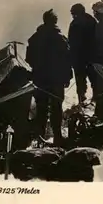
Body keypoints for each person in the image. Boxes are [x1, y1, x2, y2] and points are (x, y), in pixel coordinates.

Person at [25, 9, 72, 146]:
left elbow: (29, 59)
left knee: (41, 109)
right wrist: (68, 76)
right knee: (57, 108)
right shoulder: (61, 38)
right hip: (57, 80)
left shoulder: (35, 38)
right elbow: (68, 60)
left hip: (40, 78)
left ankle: (39, 138)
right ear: (55, 21)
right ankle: (57, 137)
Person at [68, 3, 97, 104]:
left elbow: (71, 42)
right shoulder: (92, 21)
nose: (73, 16)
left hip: (82, 57)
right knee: (92, 79)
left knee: (84, 80)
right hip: (88, 56)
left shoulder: (75, 24)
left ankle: (84, 98)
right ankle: (89, 98)